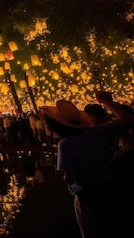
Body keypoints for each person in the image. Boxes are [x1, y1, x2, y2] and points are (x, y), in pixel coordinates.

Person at [41, 93, 132, 238]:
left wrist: (64, 173)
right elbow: (127, 119)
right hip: (109, 190)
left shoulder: (65, 145)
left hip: (87, 197)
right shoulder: (98, 132)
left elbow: (70, 178)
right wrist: (106, 102)